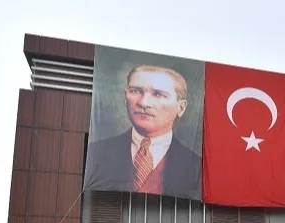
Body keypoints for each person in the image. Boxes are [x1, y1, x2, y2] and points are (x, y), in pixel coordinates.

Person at [84, 64, 202, 200]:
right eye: (135, 91)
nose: (144, 103)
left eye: (158, 94)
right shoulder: (97, 153)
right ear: (125, 97)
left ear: (181, 107)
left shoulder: (197, 167)